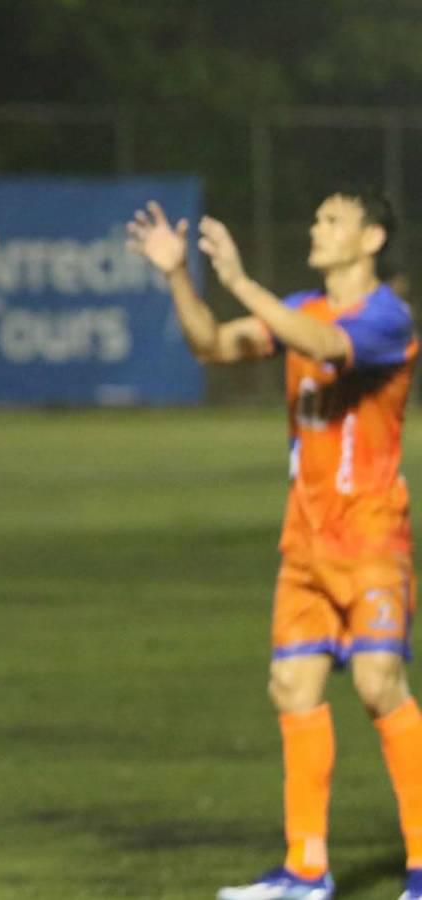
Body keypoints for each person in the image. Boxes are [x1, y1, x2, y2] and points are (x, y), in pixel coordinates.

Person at [128, 189, 422, 900]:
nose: (316, 230)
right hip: (306, 543)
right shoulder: (299, 309)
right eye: (315, 217)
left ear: (373, 236)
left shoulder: (387, 317)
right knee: (293, 688)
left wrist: (240, 283)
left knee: (381, 686)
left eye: (331, 220)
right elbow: (211, 345)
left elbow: (324, 347)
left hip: (374, 539)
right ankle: (306, 870)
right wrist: (177, 274)